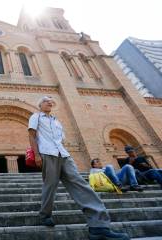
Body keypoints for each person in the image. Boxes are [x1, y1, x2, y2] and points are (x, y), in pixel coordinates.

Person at [28, 96, 129, 240]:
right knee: (50, 185)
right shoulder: (36, 116)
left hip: (63, 154)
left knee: (80, 183)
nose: (50, 102)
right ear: (40, 104)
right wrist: (37, 155)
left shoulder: (56, 121)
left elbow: (60, 139)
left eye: (51, 101)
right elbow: (32, 136)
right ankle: (45, 215)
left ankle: (98, 226)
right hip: (46, 153)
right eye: (46, 100)